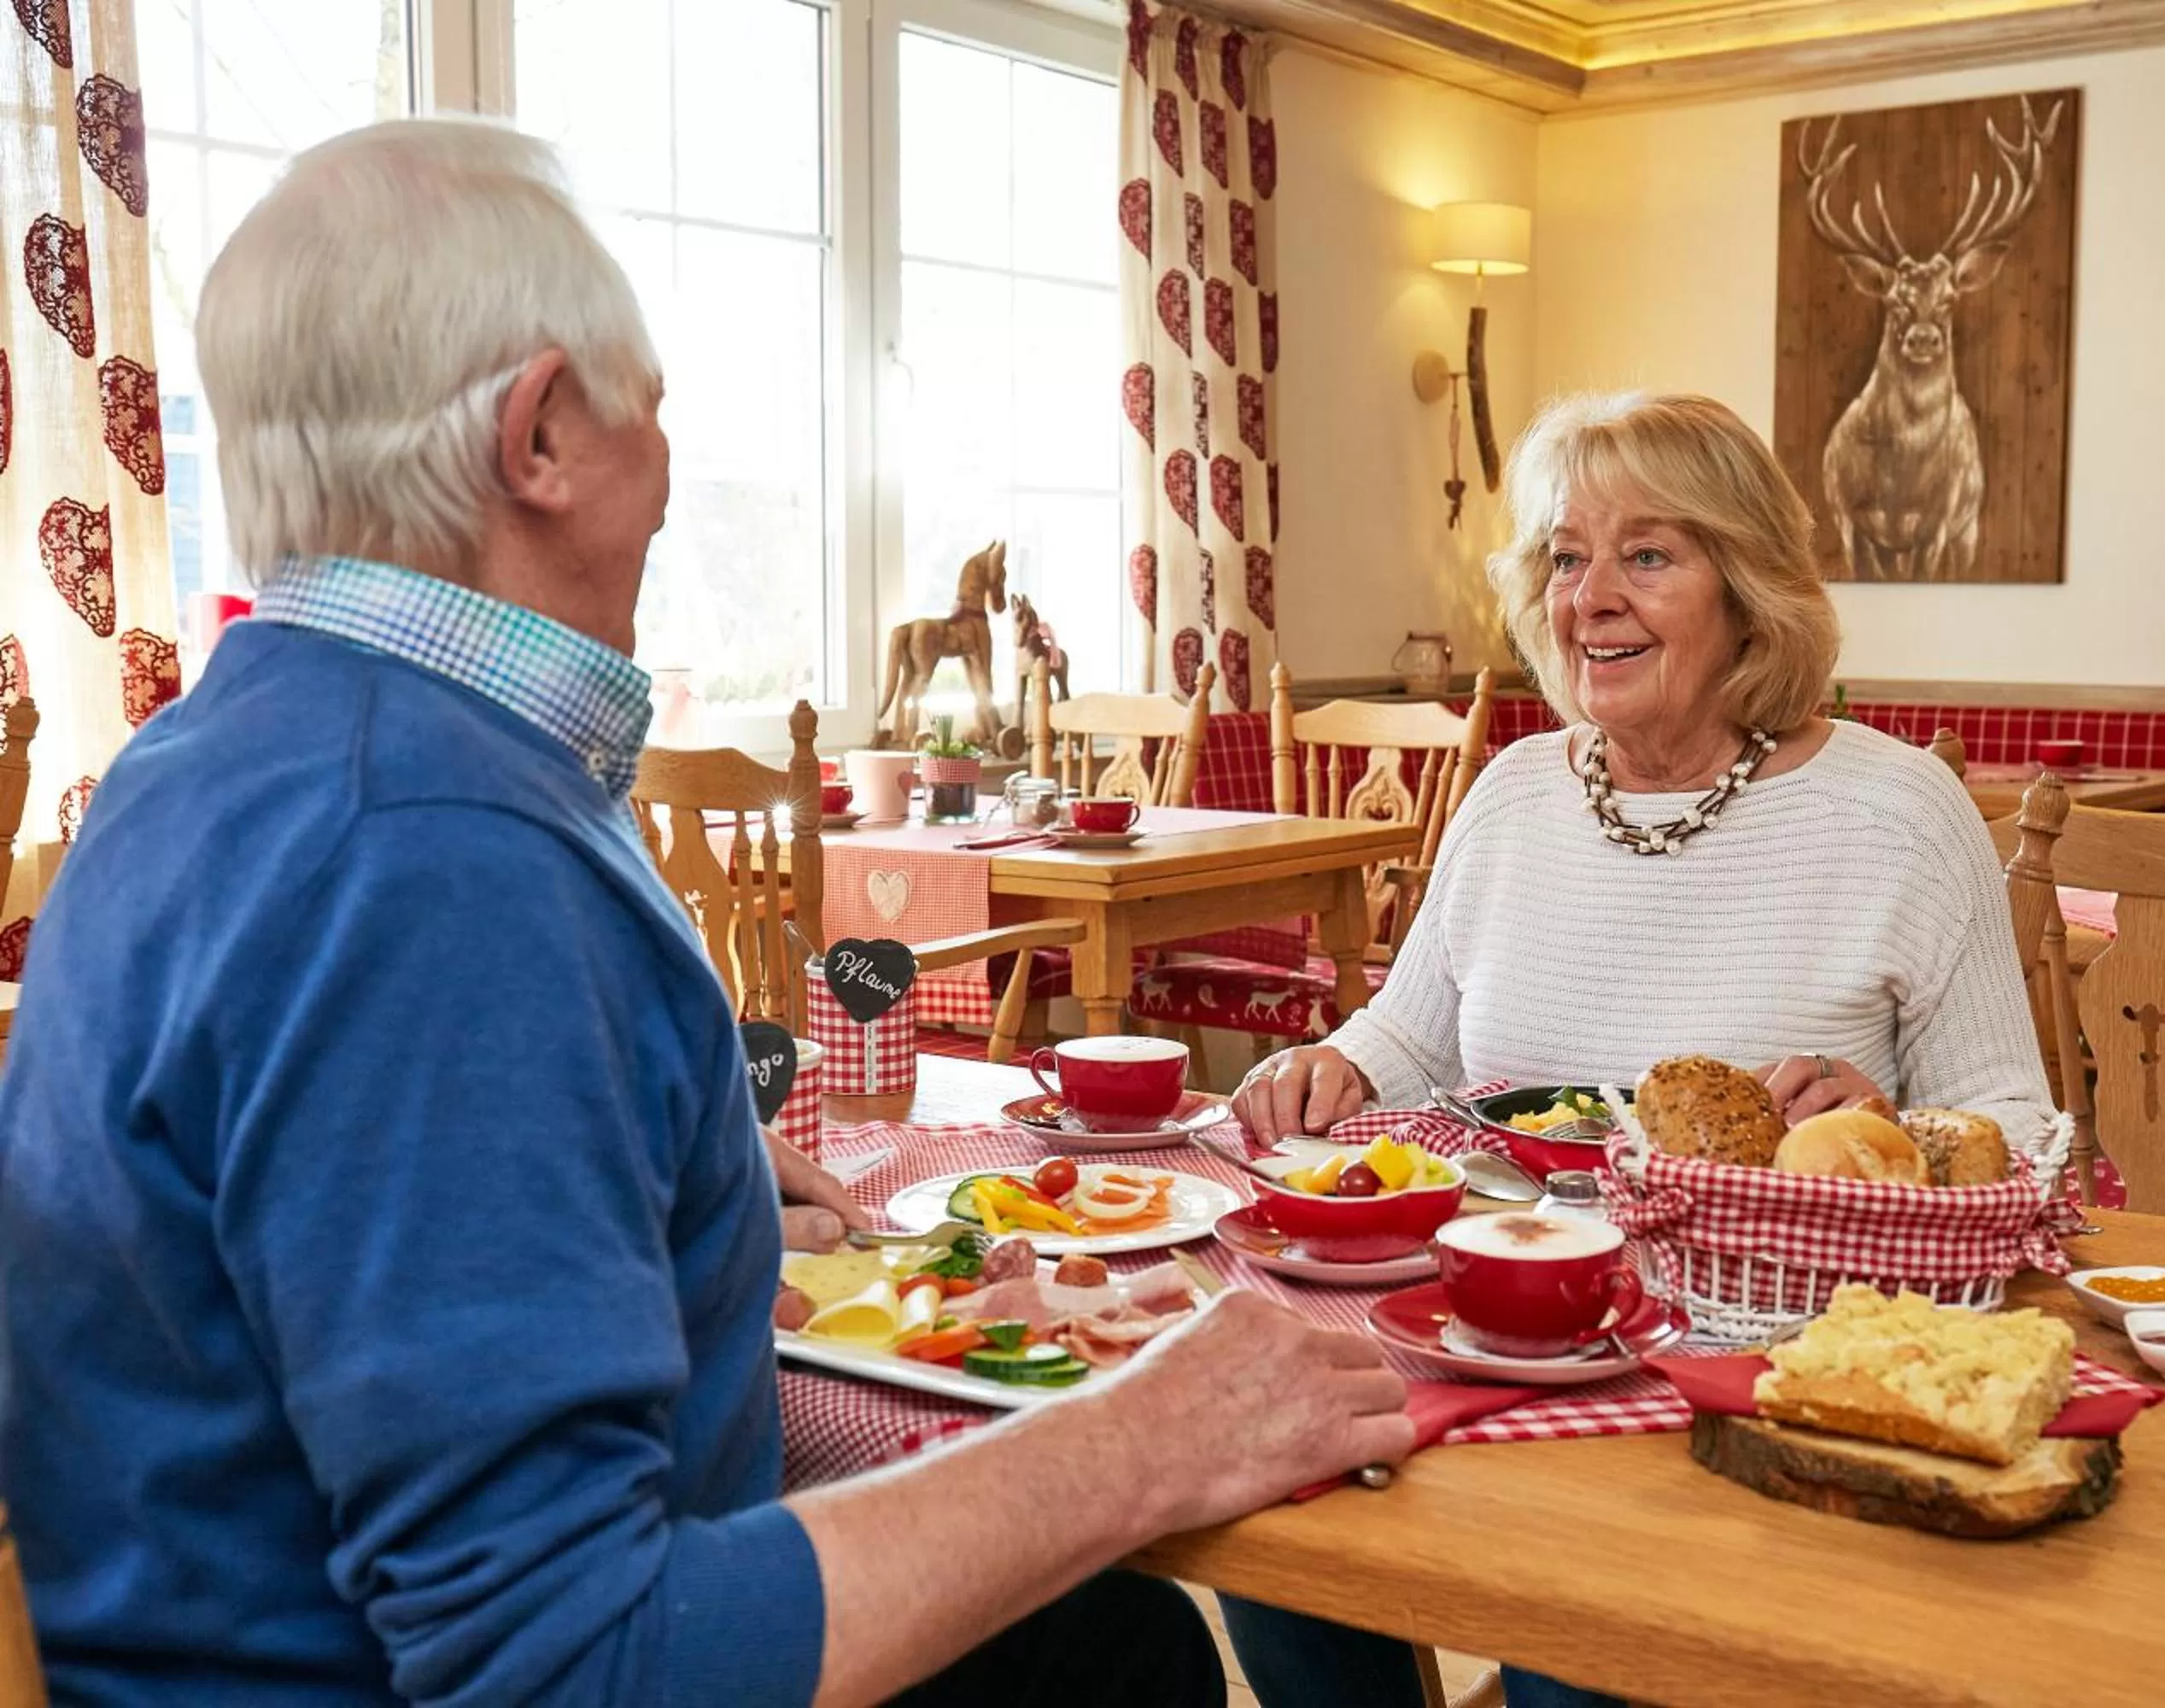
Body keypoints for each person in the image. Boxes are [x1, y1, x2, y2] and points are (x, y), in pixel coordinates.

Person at [0, 119, 1410, 1707]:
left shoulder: (207, 759)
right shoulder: (436, 857)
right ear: (539, 437)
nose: (671, 471)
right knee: (1118, 1644)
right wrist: (1144, 1439)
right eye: (652, 406)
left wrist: (672, 1199)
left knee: (1106, 1647)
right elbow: (574, 1664)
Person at [1220, 390, 2052, 1708]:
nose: (1590, 597)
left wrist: (1885, 1115)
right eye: (1565, 557)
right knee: (1274, 1527)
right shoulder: (1513, 794)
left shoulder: (1898, 812)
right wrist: (1344, 1066)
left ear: (1752, 590)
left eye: (1648, 556)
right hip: (1497, 1319)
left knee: (1579, 1667)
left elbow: (2015, 1123)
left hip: (1741, 1360)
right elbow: (1413, 1030)